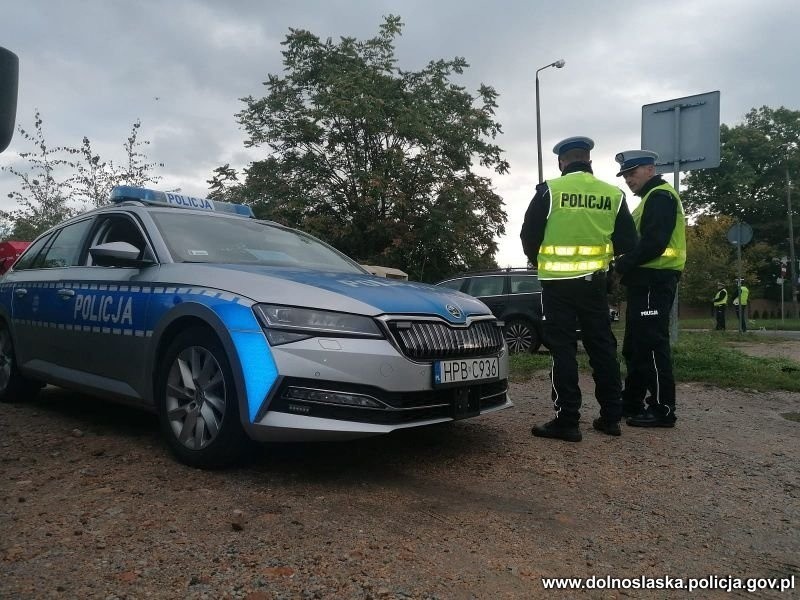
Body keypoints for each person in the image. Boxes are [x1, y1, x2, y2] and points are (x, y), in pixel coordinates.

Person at [521, 136, 637, 442]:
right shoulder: (613, 194)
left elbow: (528, 234)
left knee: (563, 350)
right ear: (588, 160)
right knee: (602, 347)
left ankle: (567, 421)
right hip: (594, 284)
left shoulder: (550, 190)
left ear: (562, 161)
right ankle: (611, 417)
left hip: (557, 286)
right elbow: (628, 241)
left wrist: (538, 259)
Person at [614, 150, 686, 428]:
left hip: (654, 280)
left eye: (632, 173)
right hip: (644, 281)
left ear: (650, 169)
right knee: (635, 346)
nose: (628, 179)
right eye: (625, 175)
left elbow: (654, 243)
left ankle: (662, 409)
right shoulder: (648, 200)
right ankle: (631, 401)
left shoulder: (660, 197)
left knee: (653, 345)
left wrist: (622, 265)